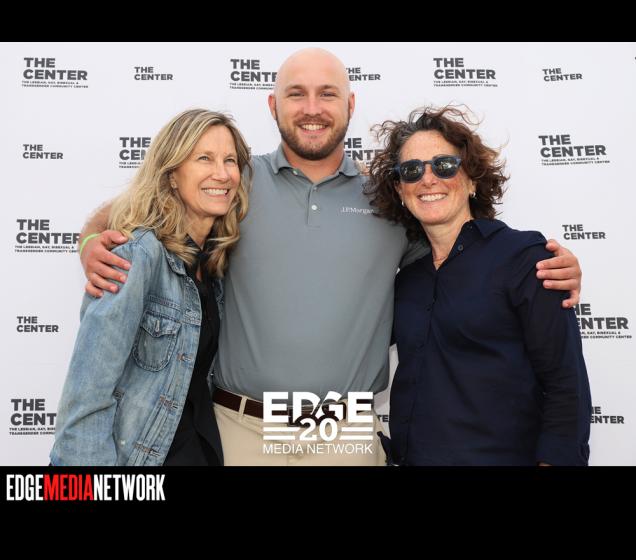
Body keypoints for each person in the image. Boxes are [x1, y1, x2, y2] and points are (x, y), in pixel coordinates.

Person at [76, 48, 582, 466]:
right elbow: (136, 206)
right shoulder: (233, 181)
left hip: (347, 437)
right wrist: (91, 241)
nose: (312, 107)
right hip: (241, 431)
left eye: (328, 93)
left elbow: (458, 248)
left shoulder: (389, 199)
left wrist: (549, 264)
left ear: (350, 103)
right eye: (296, 94)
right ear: (273, 105)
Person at [365, 106, 592, 466]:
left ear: (471, 179)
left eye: (444, 165)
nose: (428, 179)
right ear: (400, 190)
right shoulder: (407, 280)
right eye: (411, 170)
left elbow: (566, 384)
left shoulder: (525, 259)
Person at [50, 109, 251, 466]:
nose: (222, 174)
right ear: (172, 175)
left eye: (230, 160)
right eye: (204, 158)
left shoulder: (213, 266)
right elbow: (86, 398)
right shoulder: (139, 255)